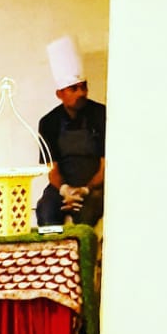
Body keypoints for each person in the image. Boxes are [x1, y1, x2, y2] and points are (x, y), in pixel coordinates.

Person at [35, 35, 106, 228]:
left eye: (84, 87)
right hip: (61, 186)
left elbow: (105, 166)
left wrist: (85, 190)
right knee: (46, 209)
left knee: (87, 213)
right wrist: (65, 190)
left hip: (95, 186)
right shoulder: (48, 122)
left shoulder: (101, 114)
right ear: (60, 94)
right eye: (73, 89)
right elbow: (52, 170)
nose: (81, 93)